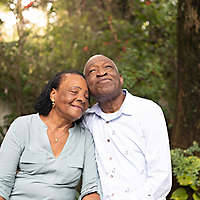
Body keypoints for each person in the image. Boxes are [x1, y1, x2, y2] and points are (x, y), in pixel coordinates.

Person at [83, 55, 172, 200]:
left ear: (121, 79)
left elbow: (161, 177)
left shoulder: (148, 111)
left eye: (108, 67)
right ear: (87, 87)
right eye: (92, 71)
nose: (101, 72)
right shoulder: (86, 120)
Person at [0, 71, 100, 200]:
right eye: (74, 92)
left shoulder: (85, 138)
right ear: (53, 95)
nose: (82, 99)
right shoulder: (23, 126)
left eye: (86, 97)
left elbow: (90, 190)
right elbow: (2, 183)